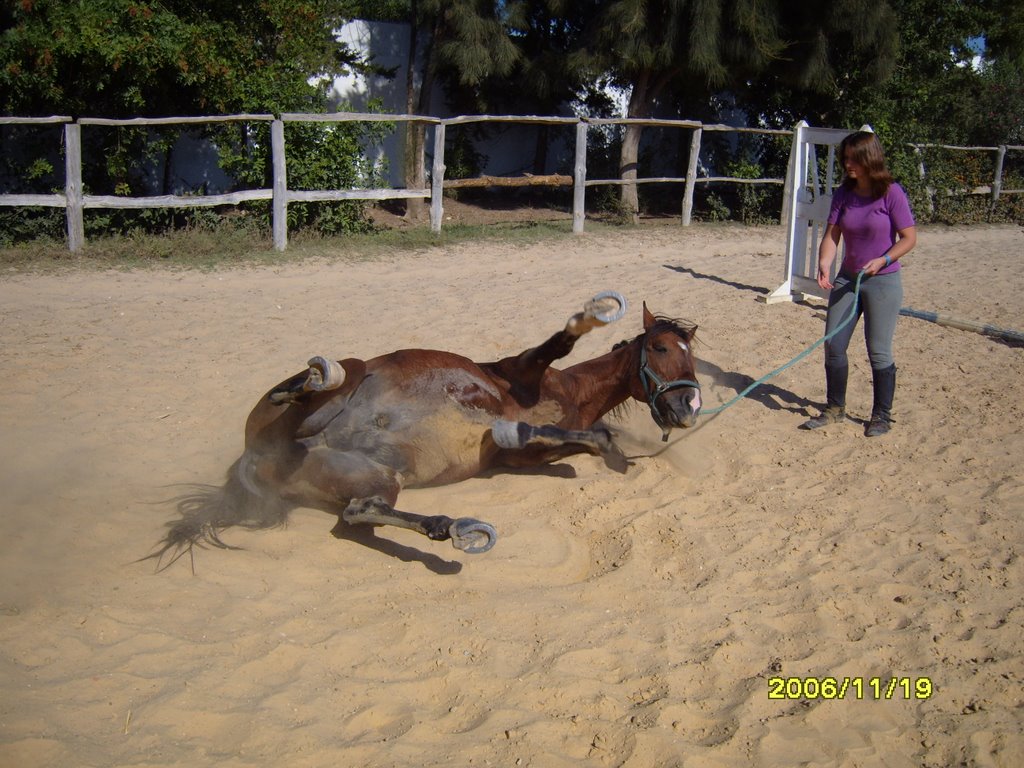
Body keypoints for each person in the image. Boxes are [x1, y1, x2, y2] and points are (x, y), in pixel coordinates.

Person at [801, 131, 917, 436]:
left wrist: (884, 260)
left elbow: (909, 238)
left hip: (882, 283)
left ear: (870, 158)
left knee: (878, 350)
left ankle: (881, 416)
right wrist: (825, 261)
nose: (848, 164)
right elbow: (832, 235)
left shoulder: (891, 193)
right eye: (845, 158)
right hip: (847, 279)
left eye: (854, 158)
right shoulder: (844, 193)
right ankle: (834, 409)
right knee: (833, 346)